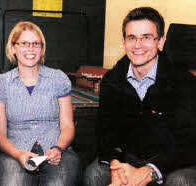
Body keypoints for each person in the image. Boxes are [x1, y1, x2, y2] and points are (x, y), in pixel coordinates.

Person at [84, 7, 196, 186]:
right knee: (95, 174)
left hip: (172, 163)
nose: (137, 45)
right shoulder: (112, 81)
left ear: (160, 41)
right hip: (129, 158)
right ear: (123, 42)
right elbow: (106, 134)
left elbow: (189, 142)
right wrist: (115, 164)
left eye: (146, 37)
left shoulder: (184, 82)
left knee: (180, 181)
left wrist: (150, 171)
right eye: (132, 38)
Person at [0, 21, 79, 186]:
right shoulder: (1, 83)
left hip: (56, 151)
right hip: (14, 152)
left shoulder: (58, 78)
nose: (30, 48)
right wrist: (18, 154)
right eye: (24, 43)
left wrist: (58, 148)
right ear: (13, 47)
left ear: (42, 48)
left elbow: (68, 126)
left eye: (36, 44)